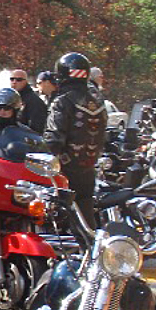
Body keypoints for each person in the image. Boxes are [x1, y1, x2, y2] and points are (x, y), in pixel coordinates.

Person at [43, 52, 107, 228]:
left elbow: (53, 139)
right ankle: (90, 251)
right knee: (86, 222)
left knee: (53, 223)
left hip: (64, 172)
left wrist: (40, 156)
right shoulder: (98, 100)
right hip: (88, 169)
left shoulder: (62, 101)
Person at [11, 69, 48, 134]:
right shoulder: (11, 98)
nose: (14, 82)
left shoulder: (33, 101)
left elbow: (37, 127)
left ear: (26, 81)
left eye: (19, 80)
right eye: (12, 79)